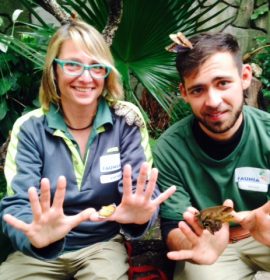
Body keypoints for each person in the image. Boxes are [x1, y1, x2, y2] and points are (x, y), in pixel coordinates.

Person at [0, 20, 175, 279]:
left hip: (101, 245)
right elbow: (19, 203)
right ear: (54, 71)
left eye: (96, 67)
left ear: (106, 73)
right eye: (72, 65)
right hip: (37, 252)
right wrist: (35, 233)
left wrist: (139, 216)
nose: (85, 76)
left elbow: (140, 189)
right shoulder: (29, 127)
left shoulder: (125, 120)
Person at [153, 32, 270, 280]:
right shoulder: (169, 148)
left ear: (245, 76)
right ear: (184, 93)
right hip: (212, 246)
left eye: (223, 83)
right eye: (198, 90)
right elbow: (173, 224)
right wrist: (191, 246)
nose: (213, 101)